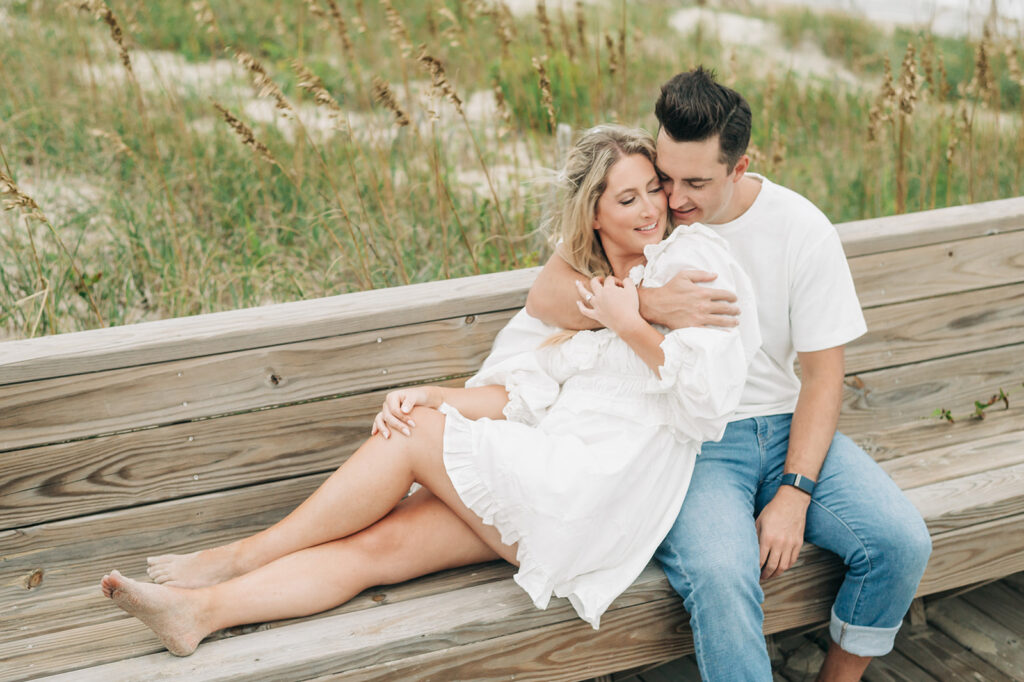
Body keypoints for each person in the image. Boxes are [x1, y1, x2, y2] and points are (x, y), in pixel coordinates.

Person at [100, 125, 761, 655]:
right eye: (629, 198)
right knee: (377, 547)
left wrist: (635, 321)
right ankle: (198, 614)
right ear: (593, 214)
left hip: (594, 495)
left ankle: (235, 558)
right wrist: (430, 391)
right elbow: (518, 398)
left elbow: (705, 401)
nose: (653, 208)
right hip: (549, 478)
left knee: (413, 436)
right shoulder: (582, 301)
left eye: (653, 190)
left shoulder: (690, 265)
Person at [525, 67, 932, 681]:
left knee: (902, 543)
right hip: (696, 441)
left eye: (696, 182)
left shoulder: (801, 230)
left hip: (786, 424)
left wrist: (794, 492)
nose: (675, 198)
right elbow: (547, 294)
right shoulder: (648, 218)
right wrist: (649, 305)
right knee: (721, 572)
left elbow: (824, 377)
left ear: (740, 168)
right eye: (666, 177)